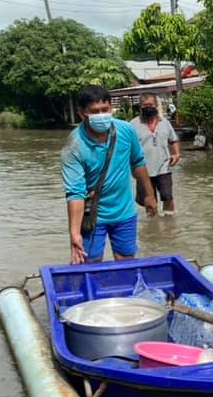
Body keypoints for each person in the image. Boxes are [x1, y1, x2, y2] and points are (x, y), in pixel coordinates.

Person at [61, 85, 157, 264]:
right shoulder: (74, 146)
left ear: (111, 108)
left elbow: (138, 163)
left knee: (126, 261)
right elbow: (75, 193)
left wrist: (149, 195)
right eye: (94, 111)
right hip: (93, 216)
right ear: (82, 113)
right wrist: (74, 233)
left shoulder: (126, 130)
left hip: (125, 212)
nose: (101, 115)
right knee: (91, 263)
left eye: (105, 109)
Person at [131, 93, 180, 216]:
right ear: (140, 107)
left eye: (151, 104)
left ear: (156, 105)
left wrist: (176, 154)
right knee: (150, 201)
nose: (148, 107)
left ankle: (170, 221)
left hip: (163, 167)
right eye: (145, 105)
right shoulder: (132, 125)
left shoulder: (165, 122)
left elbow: (173, 140)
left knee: (168, 196)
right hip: (143, 170)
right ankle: (153, 223)